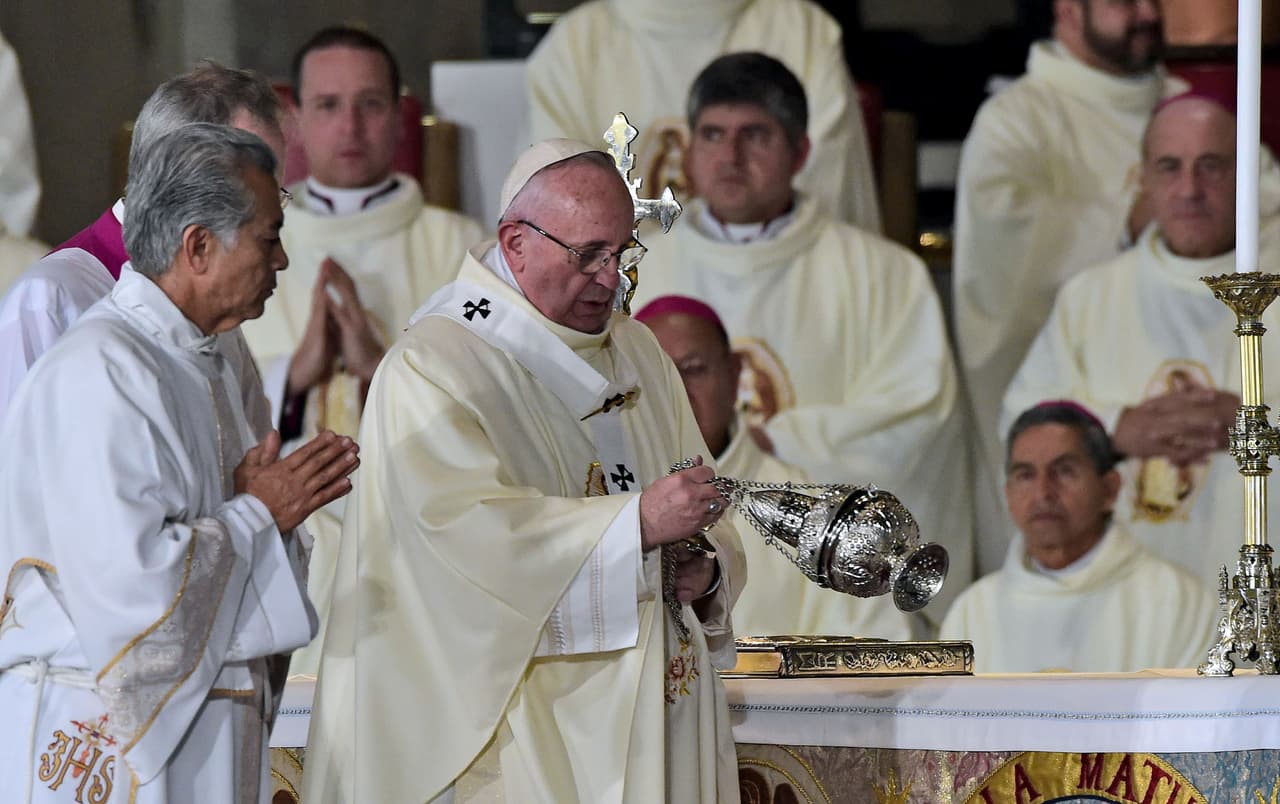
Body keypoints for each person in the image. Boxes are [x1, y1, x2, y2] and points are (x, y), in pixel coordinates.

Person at [303, 140, 745, 803]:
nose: (611, 279)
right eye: (588, 255)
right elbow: (460, 557)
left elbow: (706, 498)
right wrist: (637, 526)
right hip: (520, 740)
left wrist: (706, 568)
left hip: (658, 707)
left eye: (623, 254)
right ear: (515, 243)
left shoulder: (640, 351)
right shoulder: (436, 368)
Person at [0, 123, 360, 803]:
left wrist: (264, 517)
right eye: (268, 237)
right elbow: (132, 590)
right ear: (198, 246)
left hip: (201, 730)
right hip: (107, 743)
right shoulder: (102, 371)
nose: (282, 261)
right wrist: (260, 511)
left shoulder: (211, 360)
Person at [631, 53, 973, 618]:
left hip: (830, 579)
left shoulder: (884, 275)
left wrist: (779, 444)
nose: (730, 156)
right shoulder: (638, 269)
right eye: (713, 134)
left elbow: (918, 420)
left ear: (802, 152)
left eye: (755, 135)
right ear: (687, 150)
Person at [238, 28, 484, 671]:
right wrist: (295, 375)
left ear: (400, 113)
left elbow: (501, 404)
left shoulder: (462, 245)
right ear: (294, 119)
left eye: (370, 104)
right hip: (286, 544)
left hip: (427, 540)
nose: (350, 124)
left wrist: (385, 365)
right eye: (328, 105)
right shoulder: (245, 241)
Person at [1003, 93, 1280, 586]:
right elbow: (1021, 420)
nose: (1189, 189)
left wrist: (1254, 424)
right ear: (1143, 181)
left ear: (1245, 176)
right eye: (1170, 168)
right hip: (1127, 598)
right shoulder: (1090, 298)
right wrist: (1112, 429)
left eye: (1211, 167)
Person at [952, 0, 1179, 572]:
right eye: (1124, 0)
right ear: (1066, 8)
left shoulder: (1186, 109)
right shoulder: (1018, 120)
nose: (1148, 12)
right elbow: (1007, 258)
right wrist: (1124, 223)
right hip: (1083, 384)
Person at [0, 61, 286, 427]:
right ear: (173, 171)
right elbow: (21, 473)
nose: (271, 215)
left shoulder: (211, 296)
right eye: (255, 189)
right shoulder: (49, 300)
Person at [636, 294, 914, 639]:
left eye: (693, 370)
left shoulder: (813, 512)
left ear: (735, 373)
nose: (678, 392)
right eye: (659, 375)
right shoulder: (610, 495)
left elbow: (867, 651)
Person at [525, 0, 881, 232]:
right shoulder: (574, 48)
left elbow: (825, 211)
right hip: (621, 311)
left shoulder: (801, 32)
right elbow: (557, 223)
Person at [939, 402, 1216, 673]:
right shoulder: (972, 612)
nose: (1043, 492)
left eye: (1064, 471)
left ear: (1109, 489)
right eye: (1025, 475)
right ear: (1008, 494)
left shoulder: (1179, 603)